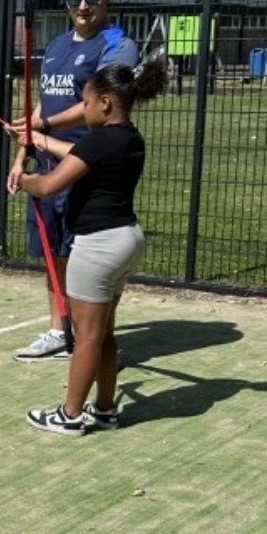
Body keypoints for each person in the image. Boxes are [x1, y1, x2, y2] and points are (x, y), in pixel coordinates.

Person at [10, 57, 169, 435]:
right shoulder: (130, 137)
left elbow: (50, 187)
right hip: (127, 240)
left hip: (98, 247)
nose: (82, 110)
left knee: (86, 337)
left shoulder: (98, 141)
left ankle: (69, 415)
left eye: (86, 102)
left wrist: (26, 179)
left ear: (106, 103)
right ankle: (104, 409)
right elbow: (80, 158)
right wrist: (39, 140)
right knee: (105, 333)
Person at [6, 0, 139, 361]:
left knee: (81, 254)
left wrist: (43, 126)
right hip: (46, 162)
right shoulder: (59, 46)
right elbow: (44, 103)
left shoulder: (118, 45)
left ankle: (86, 337)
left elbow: (94, 105)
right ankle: (57, 329)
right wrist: (21, 154)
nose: (83, 6)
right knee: (52, 250)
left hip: (87, 166)